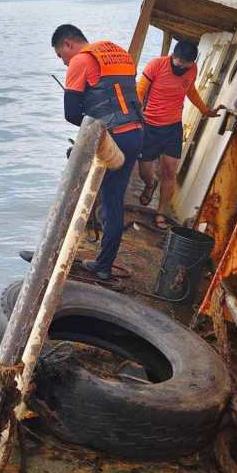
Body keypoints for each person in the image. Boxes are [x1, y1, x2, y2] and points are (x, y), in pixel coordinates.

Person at [52, 23, 144, 281]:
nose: (63, 62)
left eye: (61, 55)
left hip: (113, 138)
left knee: (78, 190)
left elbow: (72, 114)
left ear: (68, 44)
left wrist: (86, 106)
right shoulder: (118, 54)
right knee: (113, 200)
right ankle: (103, 263)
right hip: (136, 132)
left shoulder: (80, 61)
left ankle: (59, 255)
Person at [136, 40, 226, 229]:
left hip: (172, 127)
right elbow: (140, 91)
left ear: (192, 63)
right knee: (144, 170)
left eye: (186, 66)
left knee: (170, 171)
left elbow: (190, 90)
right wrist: (134, 116)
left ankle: (161, 213)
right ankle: (150, 184)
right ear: (173, 56)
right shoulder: (156, 65)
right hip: (149, 125)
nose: (182, 69)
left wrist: (205, 110)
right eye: (179, 65)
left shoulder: (192, 69)